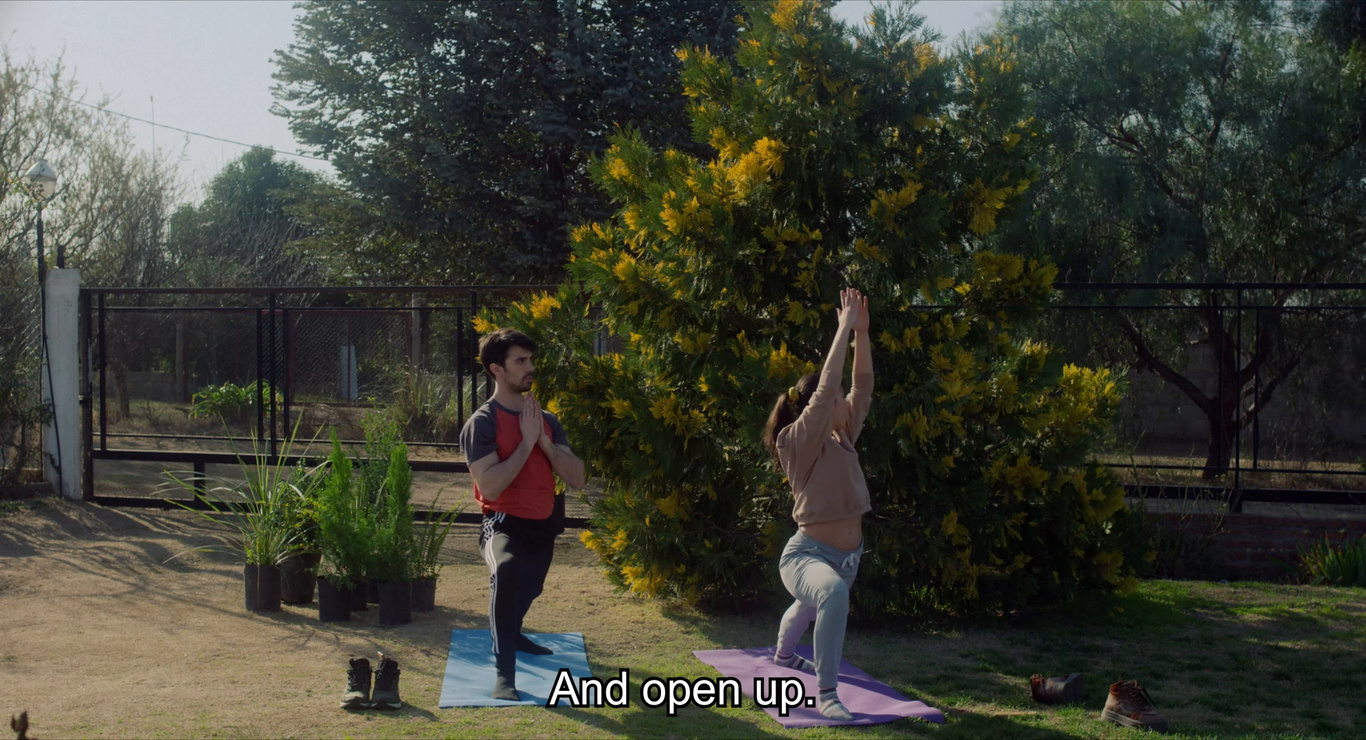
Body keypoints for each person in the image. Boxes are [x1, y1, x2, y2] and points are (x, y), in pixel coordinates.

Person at [760, 287, 873, 721]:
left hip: (847, 560)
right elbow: (826, 391)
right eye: (839, 399)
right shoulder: (797, 442)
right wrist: (842, 328)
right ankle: (827, 694)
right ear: (820, 409)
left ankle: (784, 656)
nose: (846, 402)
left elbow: (863, 386)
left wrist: (862, 333)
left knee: (809, 607)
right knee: (830, 595)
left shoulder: (844, 435)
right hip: (806, 555)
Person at [459, 328, 586, 701]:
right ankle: (505, 675)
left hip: (542, 523)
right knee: (508, 571)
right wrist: (526, 443)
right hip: (502, 523)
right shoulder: (482, 422)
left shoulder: (546, 420)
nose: (530, 367)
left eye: (530, 360)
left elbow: (577, 478)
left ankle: (513, 634)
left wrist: (542, 439)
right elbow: (491, 486)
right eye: (520, 361)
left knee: (531, 587)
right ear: (497, 369)